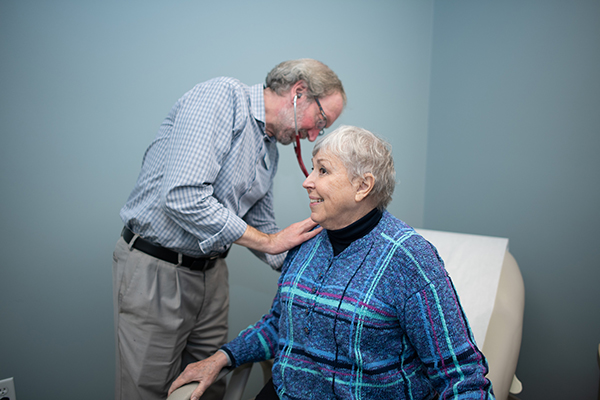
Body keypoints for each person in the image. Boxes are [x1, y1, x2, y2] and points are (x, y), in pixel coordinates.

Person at [168, 125, 495, 400]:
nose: (308, 181)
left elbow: (461, 372)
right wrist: (224, 356)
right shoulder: (306, 240)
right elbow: (282, 324)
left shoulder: (408, 259)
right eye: (313, 169)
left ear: (363, 186)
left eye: (322, 170)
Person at [113, 59, 346, 400]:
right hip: (157, 269)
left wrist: (317, 267)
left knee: (209, 384)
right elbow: (184, 196)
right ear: (299, 93)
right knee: (147, 390)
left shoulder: (269, 148)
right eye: (320, 121)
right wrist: (268, 242)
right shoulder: (222, 98)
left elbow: (262, 224)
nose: (313, 135)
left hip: (211, 274)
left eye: (321, 129)